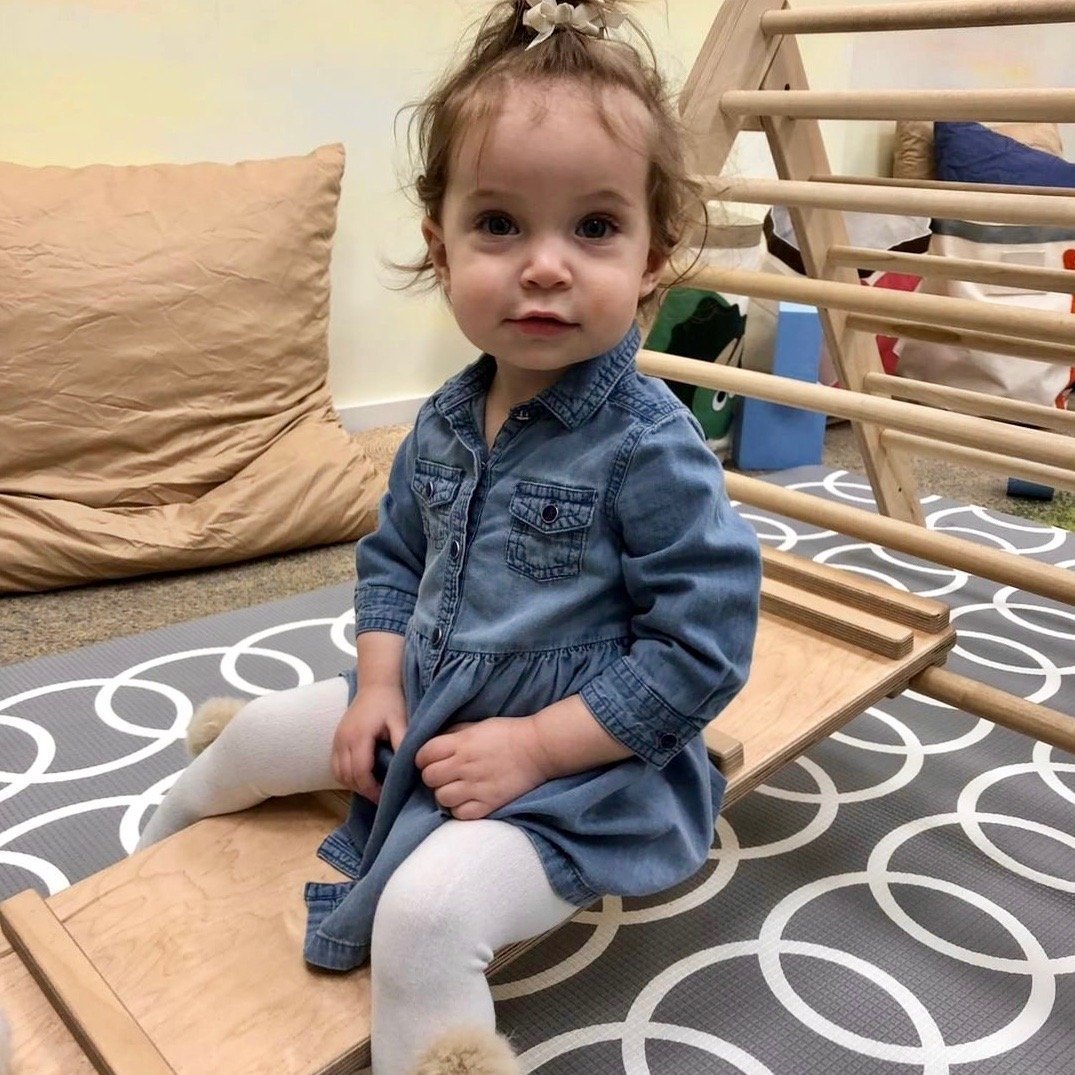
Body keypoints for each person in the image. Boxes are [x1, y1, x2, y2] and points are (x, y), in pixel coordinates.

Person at [135, 2, 762, 1073]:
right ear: (441, 246)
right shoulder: (438, 419)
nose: (546, 266)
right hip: (426, 703)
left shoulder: (649, 450)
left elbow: (701, 650)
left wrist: (534, 746)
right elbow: (392, 563)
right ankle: (140, 882)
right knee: (247, 743)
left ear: (656, 257)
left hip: (584, 769)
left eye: (595, 227)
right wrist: (377, 686)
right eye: (501, 224)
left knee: (421, 920)